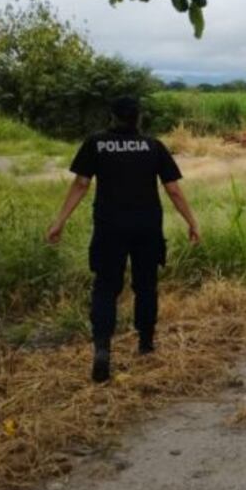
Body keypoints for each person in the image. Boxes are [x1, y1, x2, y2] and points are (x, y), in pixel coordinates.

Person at [47, 97, 201, 383]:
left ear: (112, 117)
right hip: (146, 226)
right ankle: (145, 343)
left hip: (109, 227)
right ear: (138, 118)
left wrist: (60, 222)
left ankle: (103, 350)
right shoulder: (153, 146)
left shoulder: (96, 143)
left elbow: (81, 183)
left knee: (105, 287)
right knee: (146, 285)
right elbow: (174, 190)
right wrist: (192, 222)